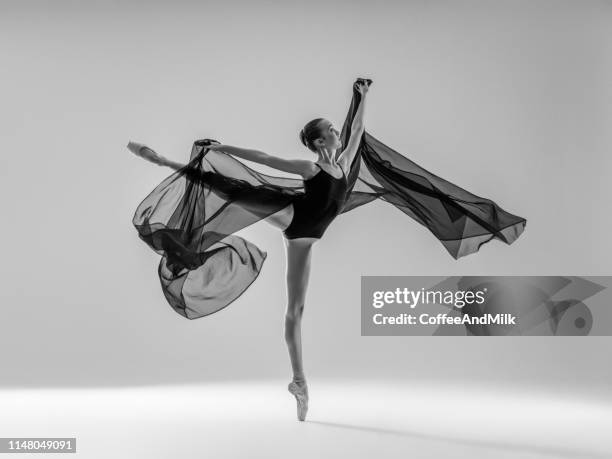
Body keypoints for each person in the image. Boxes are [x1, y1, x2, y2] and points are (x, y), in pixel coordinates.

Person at [127, 77, 526, 422]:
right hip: (294, 220)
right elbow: (266, 159)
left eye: (336, 128)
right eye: (331, 129)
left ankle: (297, 383)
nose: (338, 131)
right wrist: (224, 149)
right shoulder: (311, 169)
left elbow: (356, 132)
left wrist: (361, 95)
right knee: (239, 192)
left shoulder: (346, 159)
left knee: (296, 309)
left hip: (310, 234)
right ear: (319, 141)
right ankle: (163, 161)